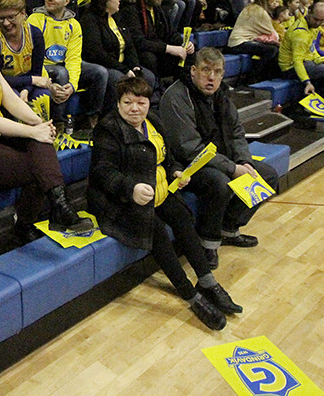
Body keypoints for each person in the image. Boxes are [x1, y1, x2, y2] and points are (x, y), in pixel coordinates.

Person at [89, 76, 239, 330]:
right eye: (127, 102)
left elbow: (169, 158)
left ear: (149, 103)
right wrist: (131, 188)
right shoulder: (108, 129)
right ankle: (190, 295)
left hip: (158, 191)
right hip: (120, 201)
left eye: (141, 102)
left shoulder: (154, 121)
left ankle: (207, 280)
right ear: (118, 104)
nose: (135, 108)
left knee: (182, 216)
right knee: (156, 229)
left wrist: (176, 172)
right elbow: (102, 172)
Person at [0, 18, 92, 242]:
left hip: (0, 137)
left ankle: (59, 206)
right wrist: (32, 131)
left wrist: (39, 123)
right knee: (40, 169)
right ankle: (31, 221)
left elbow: (12, 102)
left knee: (42, 142)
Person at [159, 48, 280, 267]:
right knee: (219, 183)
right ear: (193, 71)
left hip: (220, 158)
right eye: (206, 70)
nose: (211, 77)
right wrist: (232, 168)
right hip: (186, 166)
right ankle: (208, 242)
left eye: (217, 72)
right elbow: (189, 148)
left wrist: (244, 161)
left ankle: (229, 228)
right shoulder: (176, 96)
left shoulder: (222, 94)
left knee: (267, 175)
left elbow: (237, 133)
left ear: (223, 74)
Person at [28, 0, 109, 122]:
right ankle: (58, 122)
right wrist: (48, 82)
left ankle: (91, 117)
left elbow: (73, 58)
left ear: (66, 1)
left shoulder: (74, 25)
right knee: (61, 72)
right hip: (43, 67)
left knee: (100, 72)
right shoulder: (35, 19)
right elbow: (32, 57)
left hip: (64, 64)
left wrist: (72, 85)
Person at [79, 0, 154, 104]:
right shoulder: (90, 20)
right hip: (105, 66)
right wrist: (124, 69)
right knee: (119, 79)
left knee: (148, 77)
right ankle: (109, 112)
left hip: (122, 65)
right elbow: (97, 54)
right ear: (105, 0)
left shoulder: (117, 17)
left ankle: (141, 109)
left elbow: (129, 46)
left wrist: (134, 65)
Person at [117, 0, 192, 82]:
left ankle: (184, 87)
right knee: (149, 58)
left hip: (158, 50)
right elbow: (139, 42)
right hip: (141, 54)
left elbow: (171, 33)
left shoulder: (157, 8)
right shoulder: (131, 10)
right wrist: (168, 48)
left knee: (189, 53)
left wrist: (185, 44)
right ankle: (157, 88)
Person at [0, 0, 50, 100]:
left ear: (23, 13)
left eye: (11, 17)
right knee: (14, 97)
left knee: (45, 95)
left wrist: (26, 90)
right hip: (2, 84)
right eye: (1, 18)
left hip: (27, 83)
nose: (6, 23)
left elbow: (36, 73)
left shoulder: (35, 34)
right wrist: (31, 80)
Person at [278, 1, 324, 98]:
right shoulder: (300, 33)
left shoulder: (313, 27)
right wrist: (307, 82)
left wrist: (320, 59)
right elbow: (297, 61)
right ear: (309, 12)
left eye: (322, 20)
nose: (318, 23)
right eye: (316, 19)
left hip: (308, 61)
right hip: (290, 68)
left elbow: (312, 49)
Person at [227, 0, 280, 83]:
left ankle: (264, 77)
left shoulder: (250, 7)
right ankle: (253, 77)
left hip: (237, 41)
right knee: (272, 50)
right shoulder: (260, 12)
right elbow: (272, 32)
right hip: (239, 43)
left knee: (272, 48)